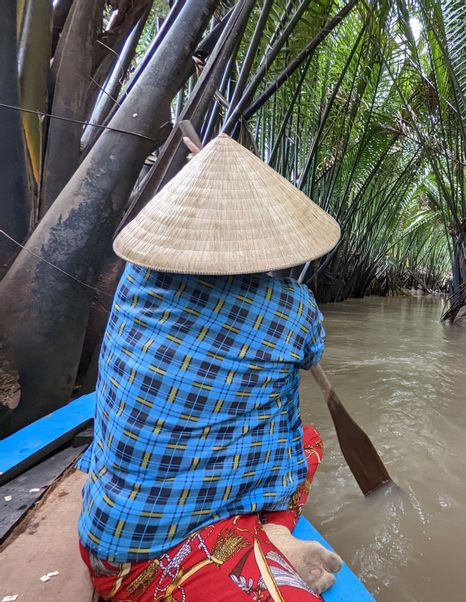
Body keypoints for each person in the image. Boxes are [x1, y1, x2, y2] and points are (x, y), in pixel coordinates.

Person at [77, 134, 343, 601]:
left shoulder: (137, 279)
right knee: (300, 448)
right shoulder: (291, 309)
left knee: (308, 443)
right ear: (267, 236)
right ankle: (266, 535)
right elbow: (310, 352)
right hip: (144, 556)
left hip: (105, 522)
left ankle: (268, 536)